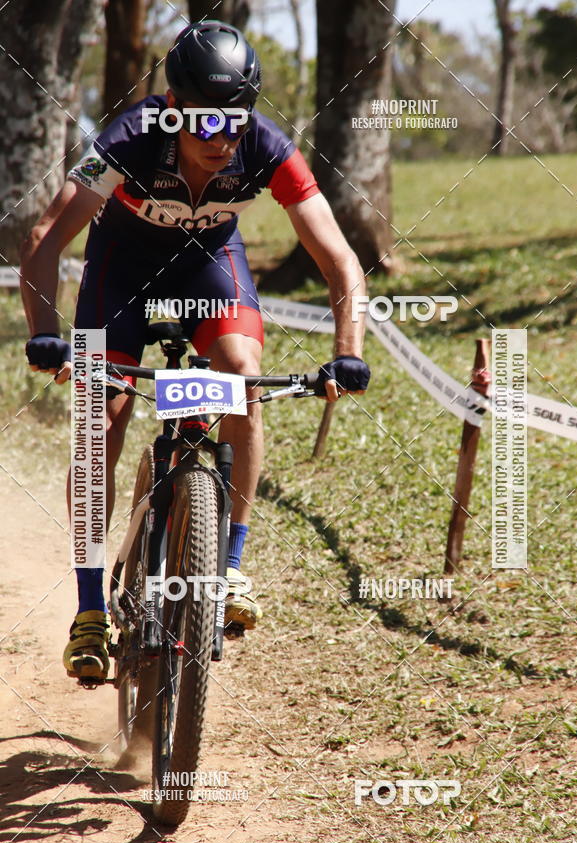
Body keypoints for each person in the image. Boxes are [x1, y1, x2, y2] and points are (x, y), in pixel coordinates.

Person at [21, 20, 370, 683]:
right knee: (102, 418)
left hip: (210, 265)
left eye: (235, 121)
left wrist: (347, 351)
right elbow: (43, 239)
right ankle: (90, 608)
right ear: (174, 107)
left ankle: (228, 565)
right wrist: (44, 332)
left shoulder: (266, 146)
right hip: (120, 272)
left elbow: (340, 260)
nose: (223, 139)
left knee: (242, 378)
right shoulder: (128, 138)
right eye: (207, 121)